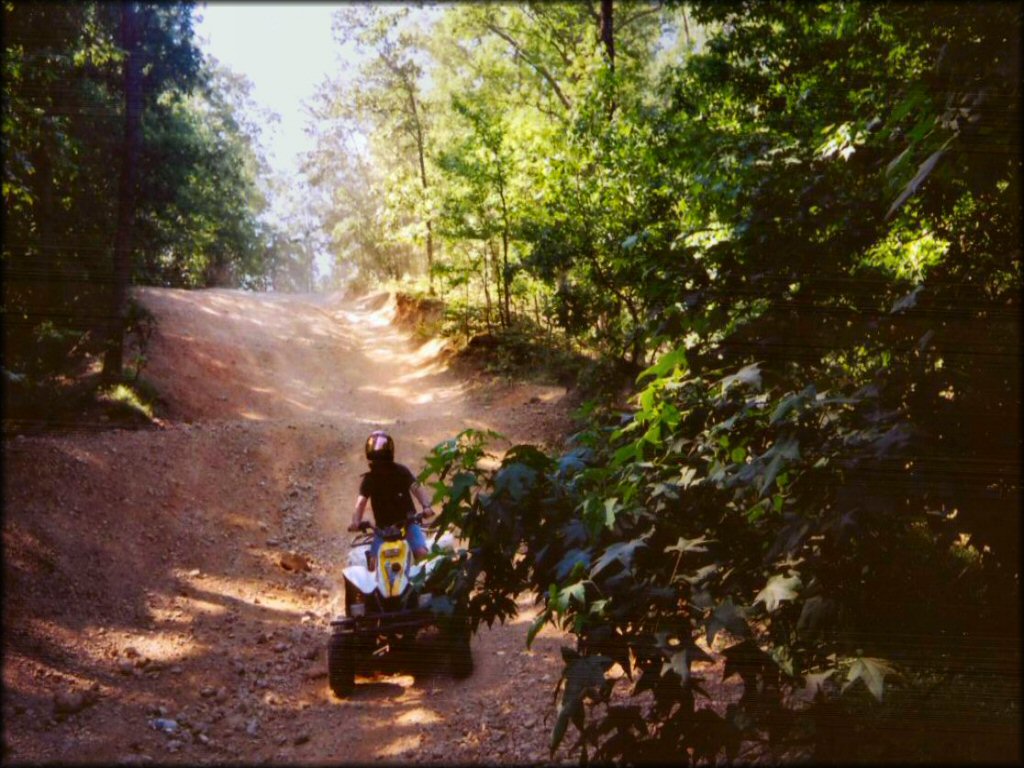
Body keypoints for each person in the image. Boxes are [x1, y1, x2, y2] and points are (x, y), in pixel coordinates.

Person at [347, 430, 435, 570]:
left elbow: (417, 489)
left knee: (422, 554)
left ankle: (426, 589)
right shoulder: (369, 479)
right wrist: (356, 522)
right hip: (383, 531)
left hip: (408, 526)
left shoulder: (401, 472)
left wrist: (426, 506)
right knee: (373, 565)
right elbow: (361, 503)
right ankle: (375, 592)